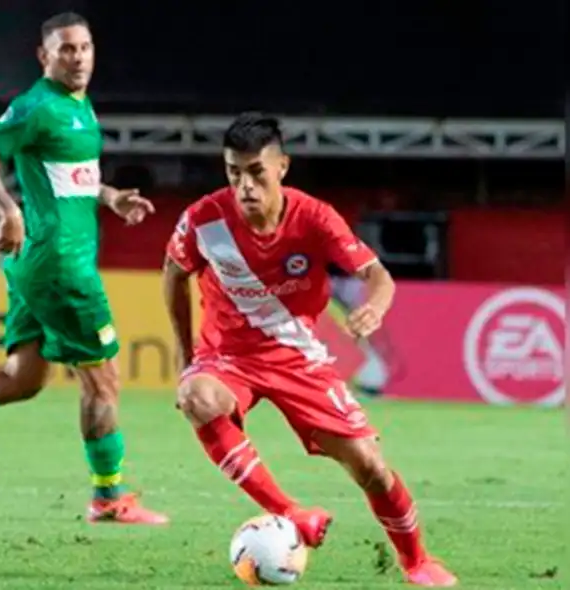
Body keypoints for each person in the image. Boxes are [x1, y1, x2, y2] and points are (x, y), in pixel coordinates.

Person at [0, 11, 168, 525]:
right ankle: (108, 497)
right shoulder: (37, 106)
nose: (77, 57)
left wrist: (109, 198)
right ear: (45, 56)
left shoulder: (77, 108)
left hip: (40, 264)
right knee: (102, 382)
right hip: (63, 267)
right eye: (65, 49)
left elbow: (67, 178)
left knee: (21, 379)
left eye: (84, 47)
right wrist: (11, 211)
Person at [161, 113, 458, 587]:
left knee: (371, 467)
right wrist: (185, 356)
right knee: (197, 397)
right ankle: (288, 512)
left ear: (282, 167)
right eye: (233, 172)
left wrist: (375, 307)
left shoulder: (314, 217)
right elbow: (173, 273)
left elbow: (376, 275)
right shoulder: (204, 218)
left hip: (298, 357)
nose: (245, 186)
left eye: (256, 171)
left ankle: (417, 561)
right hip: (228, 357)